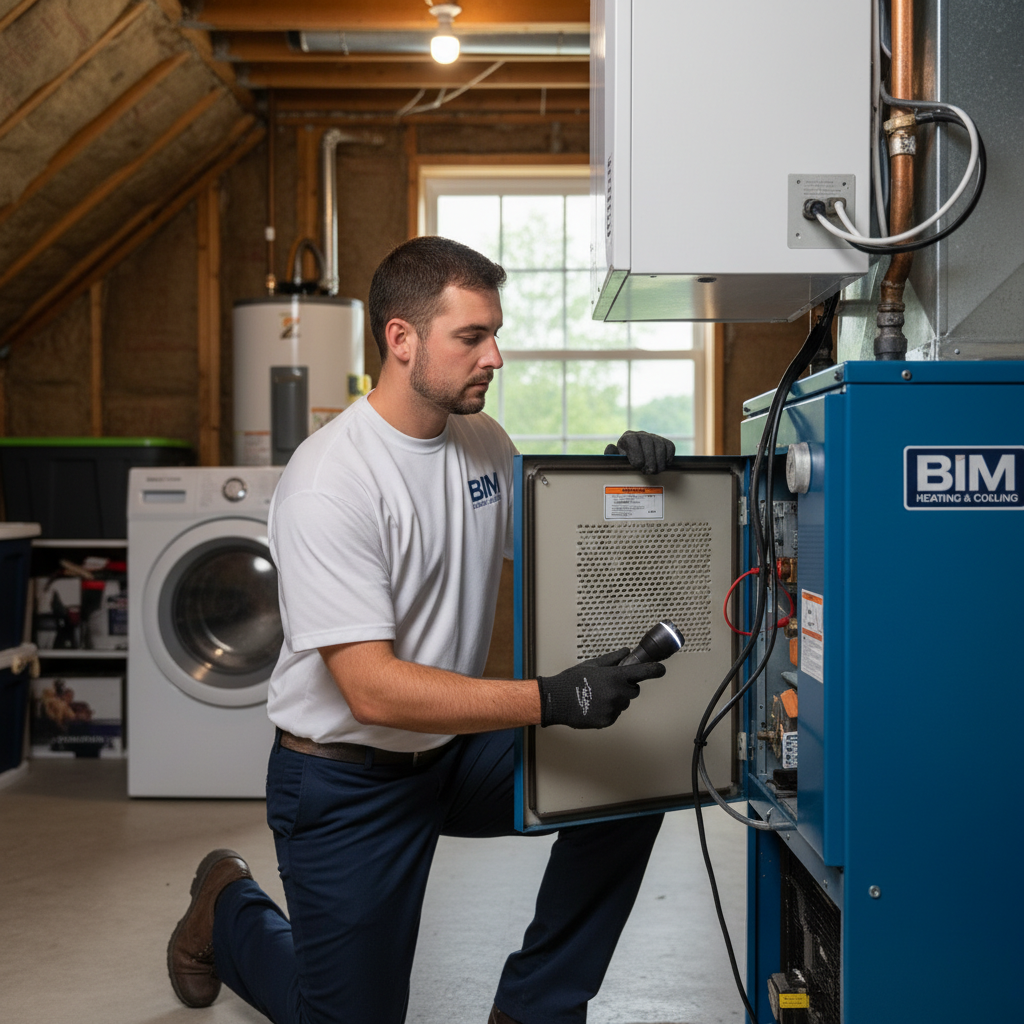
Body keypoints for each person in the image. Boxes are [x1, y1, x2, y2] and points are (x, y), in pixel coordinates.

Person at [167, 236, 677, 1024]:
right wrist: (550, 697)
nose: (495, 357)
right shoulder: (331, 480)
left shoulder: (484, 442)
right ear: (400, 340)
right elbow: (369, 689)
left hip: (452, 756)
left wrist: (628, 483)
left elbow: (566, 549)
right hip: (345, 780)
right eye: (471, 337)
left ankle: (536, 1009)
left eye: (494, 333)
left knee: (635, 778)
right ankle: (226, 906)